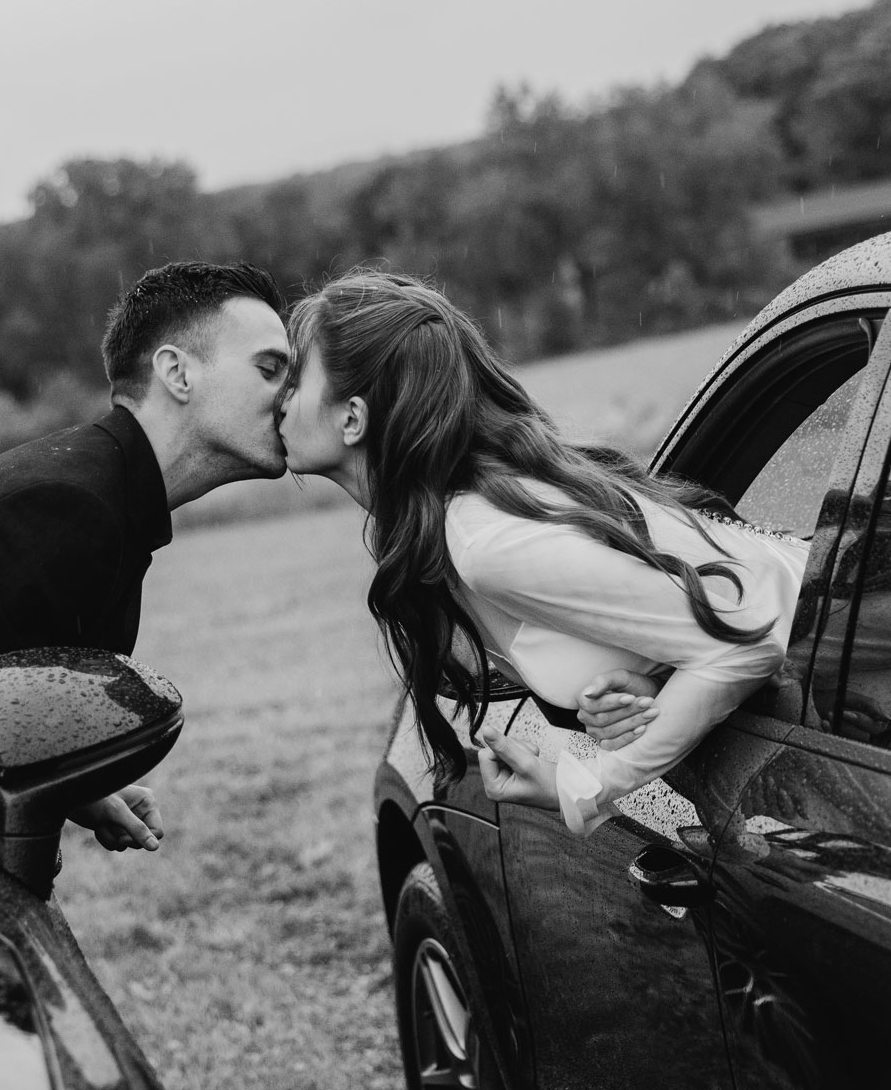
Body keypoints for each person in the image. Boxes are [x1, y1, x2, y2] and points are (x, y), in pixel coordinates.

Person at [275, 271, 806, 834]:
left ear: (352, 418)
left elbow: (751, 640)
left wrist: (582, 786)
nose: (278, 401)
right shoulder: (473, 519)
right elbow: (714, 628)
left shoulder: (487, 543)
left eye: (294, 379)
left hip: (852, 650)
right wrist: (655, 687)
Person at [0, 261, 291, 850]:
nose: (289, 397)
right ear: (177, 373)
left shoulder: (102, 492)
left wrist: (75, 792)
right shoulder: (69, 506)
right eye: (269, 370)